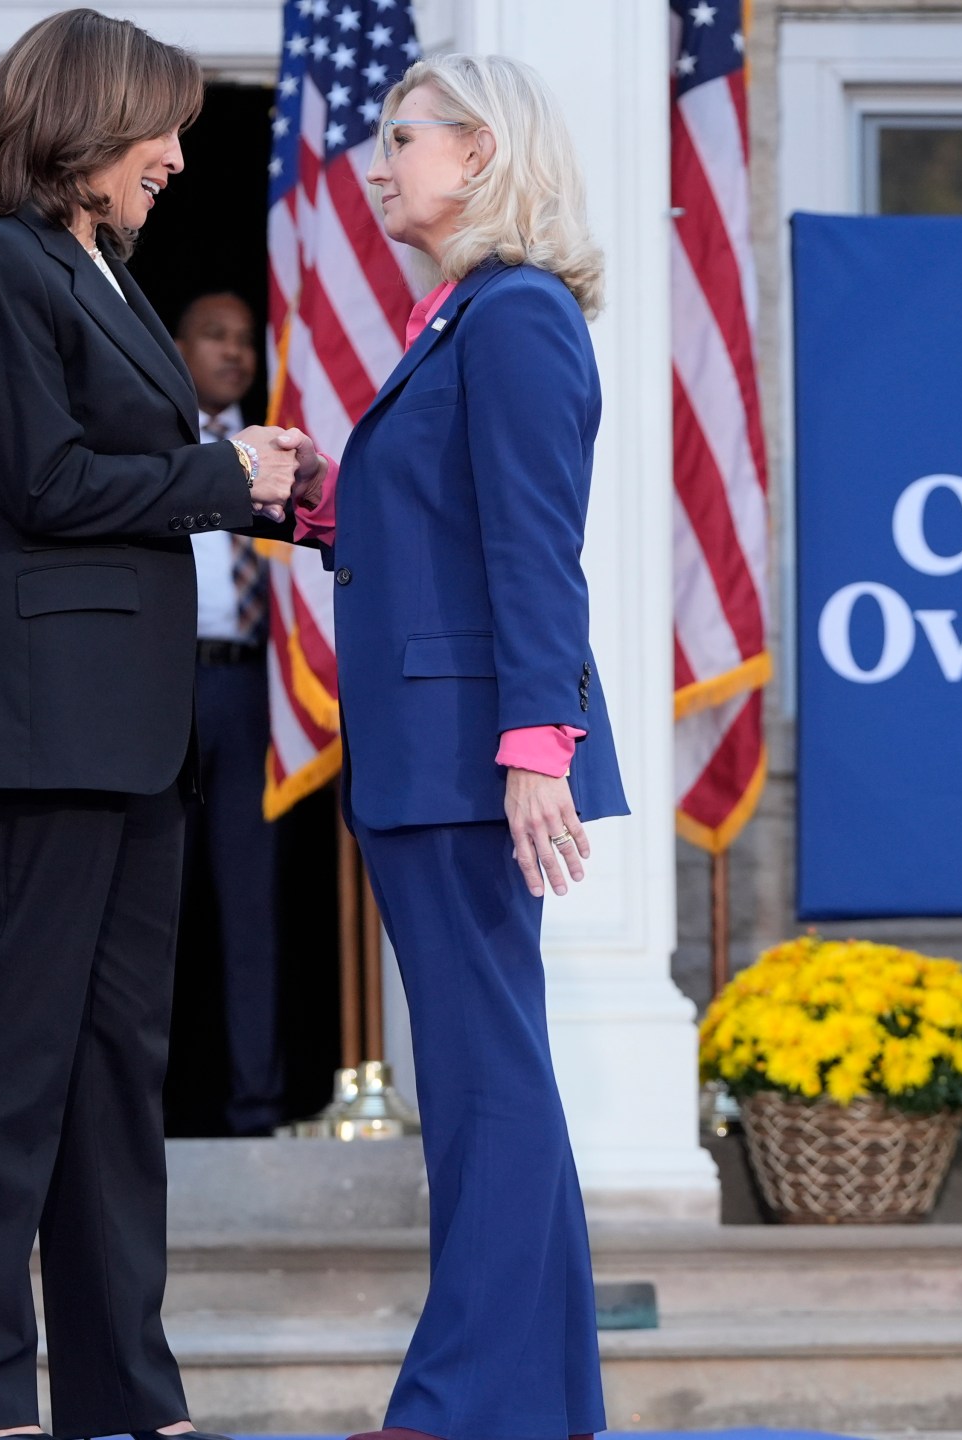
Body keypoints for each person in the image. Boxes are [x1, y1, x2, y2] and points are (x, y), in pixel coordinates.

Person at [0, 11, 312, 1439]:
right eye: (163, 128)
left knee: (113, 1078)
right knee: (6, 1073)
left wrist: (262, 482)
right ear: (86, 119)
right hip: (40, 719)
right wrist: (221, 479)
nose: (179, 157)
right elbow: (47, 482)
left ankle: (123, 1397)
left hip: (132, 728)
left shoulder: (112, 278)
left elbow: (133, 473)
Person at [285, 53, 627, 1440]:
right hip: (439, 751)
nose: (377, 161)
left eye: (401, 136)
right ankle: (542, 1405)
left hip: (476, 760)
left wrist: (537, 746)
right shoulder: (461, 320)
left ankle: (456, 1406)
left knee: (486, 1084)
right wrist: (317, 502)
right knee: (500, 1080)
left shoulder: (517, 316)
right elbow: (434, 528)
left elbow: (536, 550)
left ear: (481, 154)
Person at [173, 289, 286, 1137]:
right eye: (215, 337)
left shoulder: (280, 449)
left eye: (245, 340)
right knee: (150, 901)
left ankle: (257, 1108)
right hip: (163, 688)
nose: (234, 353)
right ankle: (137, 1107)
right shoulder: (153, 440)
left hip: (249, 690)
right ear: (178, 347)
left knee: (250, 904)